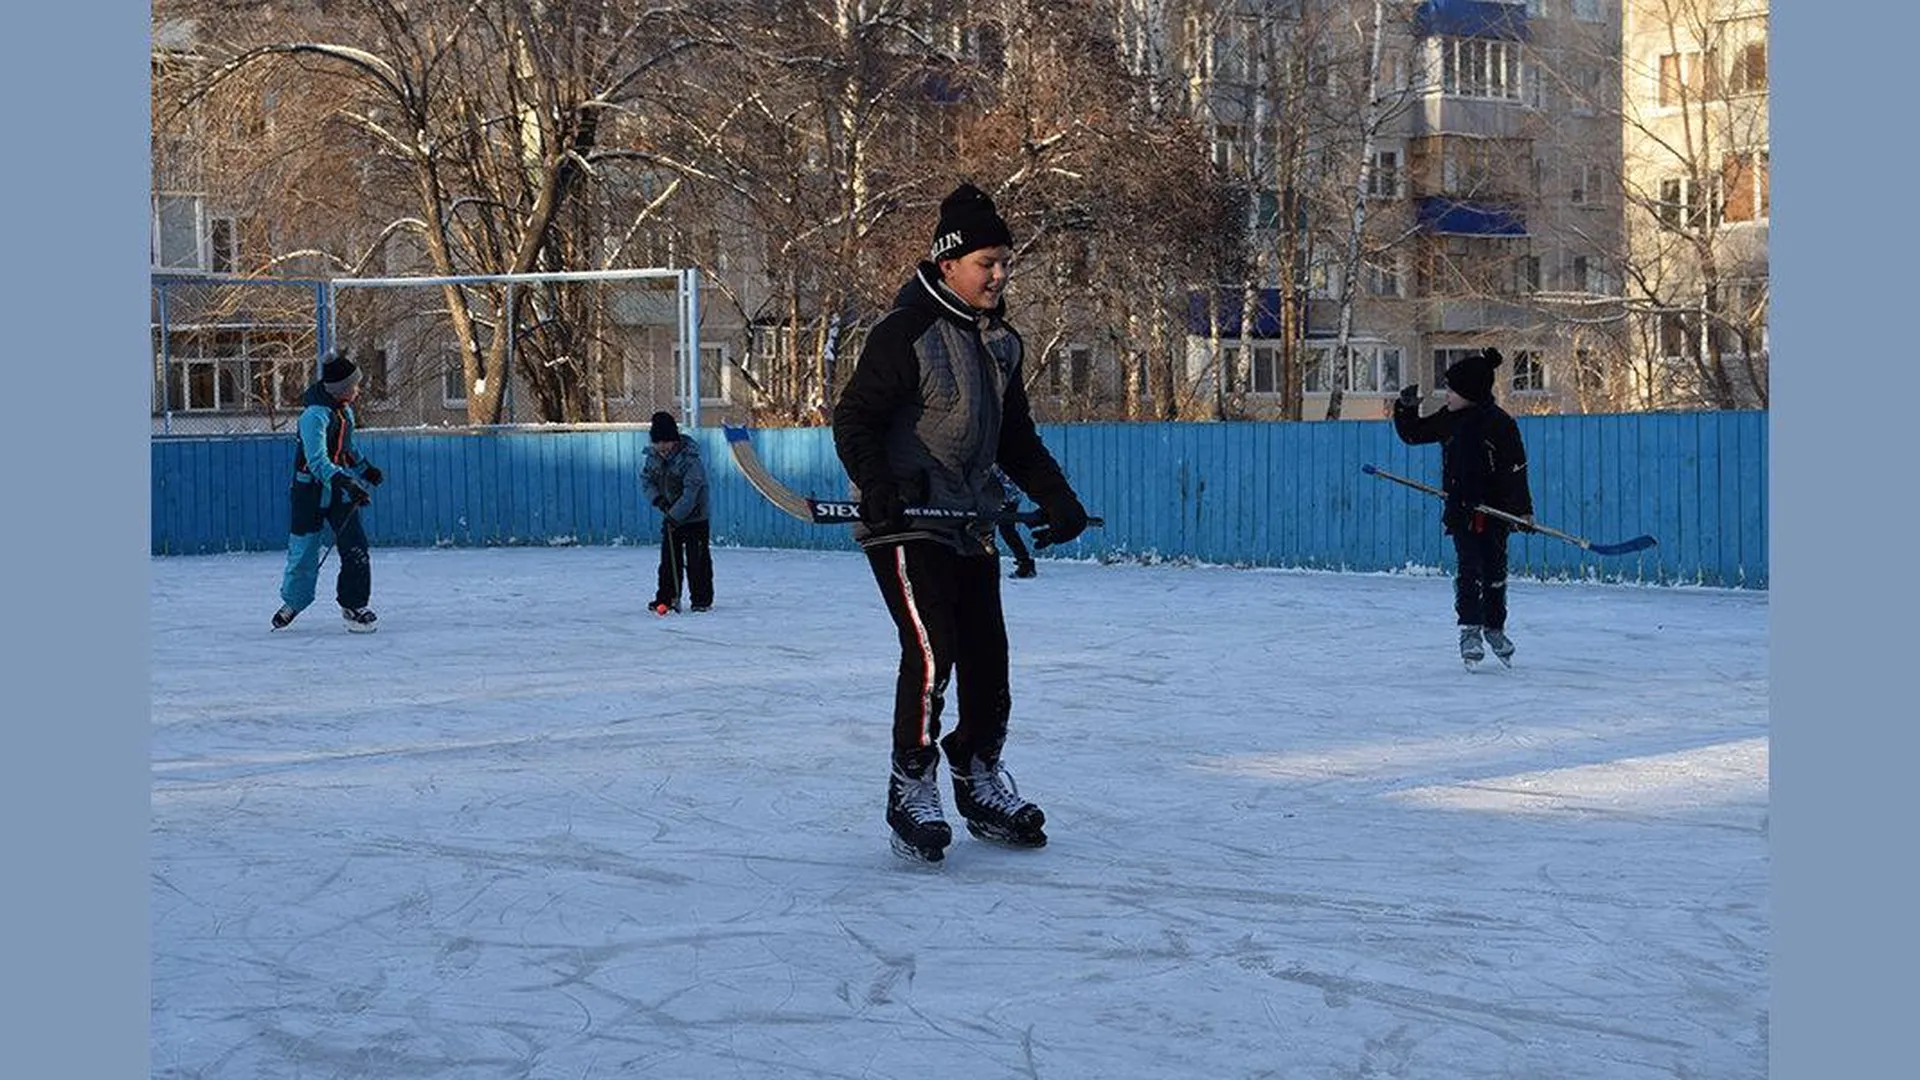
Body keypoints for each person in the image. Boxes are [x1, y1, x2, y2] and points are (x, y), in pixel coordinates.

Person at [831, 182, 1091, 863]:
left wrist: (1056, 497)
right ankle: (910, 784)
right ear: (948, 264)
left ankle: (977, 776)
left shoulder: (1002, 343)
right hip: (906, 518)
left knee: (988, 660)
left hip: (968, 518)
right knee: (931, 649)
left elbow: (1016, 437)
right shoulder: (905, 332)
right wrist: (877, 487)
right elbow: (854, 417)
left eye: (1005, 262)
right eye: (988, 263)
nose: (1000, 275)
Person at [1391, 348, 1535, 666]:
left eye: (1452, 389)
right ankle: (1470, 628)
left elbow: (1516, 469)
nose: (1447, 395)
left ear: (1470, 392)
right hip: (1462, 510)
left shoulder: (1501, 425)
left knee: (1495, 572)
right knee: (1470, 570)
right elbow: (1414, 434)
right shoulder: (1449, 420)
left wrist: (1522, 510)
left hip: (1496, 512)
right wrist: (1405, 408)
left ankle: (1494, 627)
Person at [271, 352, 383, 632]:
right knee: (304, 550)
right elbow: (317, 460)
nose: (358, 390)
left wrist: (364, 469)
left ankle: (354, 604)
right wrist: (348, 483)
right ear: (340, 389)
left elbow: (347, 448)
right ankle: (294, 601)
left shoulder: (344, 411)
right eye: (354, 386)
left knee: (356, 547)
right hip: (309, 492)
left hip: (338, 491)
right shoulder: (314, 416)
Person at [641, 410, 713, 615]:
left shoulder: (690, 460)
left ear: (674, 440)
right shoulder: (652, 458)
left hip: (695, 516)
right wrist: (658, 500)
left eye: (666, 442)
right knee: (668, 559)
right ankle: (667, 597)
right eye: (658, 442)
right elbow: (646, 481)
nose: (662, 447)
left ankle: (701, 599)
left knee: (697, 559)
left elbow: (692, 492)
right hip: (670, 513)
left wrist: (674, 515)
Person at [990, 464, 1038, 579]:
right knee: (1006, 529)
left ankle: (1025, 563)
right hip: (1008, 495)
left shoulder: (994, 454)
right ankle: (1025, 563)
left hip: (1004, 496)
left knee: (1003, 529)